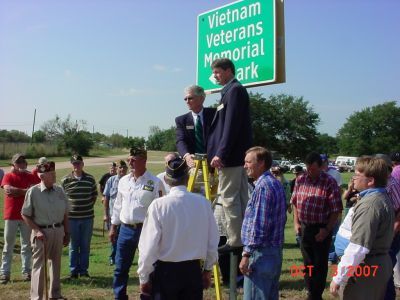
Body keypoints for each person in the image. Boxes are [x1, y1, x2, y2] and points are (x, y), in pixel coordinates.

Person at [137, 157, 219, 299]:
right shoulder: (203, 203)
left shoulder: (158, 206)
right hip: (192, 271)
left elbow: (148, 247)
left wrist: (144, 277)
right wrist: (207, 269)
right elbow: (212, 241)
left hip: (166, 272)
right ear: (187, 178)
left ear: (167, 180)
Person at [330, 156, 395, 300]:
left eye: (357, 175)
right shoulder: (378, 198)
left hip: (365, 267)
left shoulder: (370, 205)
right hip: (371, 264)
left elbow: (359, 247)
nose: (353, 178)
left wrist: (339, 277)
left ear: (370, 181)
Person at [207, 58, 252, 252]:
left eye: (217, 72)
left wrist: (221, 153)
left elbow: (231, 126)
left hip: (231, 157)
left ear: (228, 71)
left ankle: (235, 240)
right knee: (241, 197)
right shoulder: (231, 91)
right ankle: (244, 235)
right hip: (235, 156)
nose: (214, 76)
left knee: (228, 197)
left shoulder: (234, 91)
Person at [110, 147, 164, 300]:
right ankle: (119, 296)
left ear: (144, 160)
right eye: (129, 159)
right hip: (125, 229)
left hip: (146, 230)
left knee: (149, 267)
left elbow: (161, 209)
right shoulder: (123, 181)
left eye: (134, 159)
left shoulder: (155, 182)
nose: (130, 162)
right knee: (120, 267)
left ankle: (148, 296)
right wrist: (113, 227)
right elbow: (118, 206)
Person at [291, 152, 342, 300]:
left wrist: (326, 230)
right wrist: (296, 222)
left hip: (321, 227)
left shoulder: (329, 182)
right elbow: (295, 202)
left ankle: (316, 294)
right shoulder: (301, 180)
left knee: (319, 263)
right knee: (308, 263)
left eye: (313, 169)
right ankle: (310, 290)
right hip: (305, 226)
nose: (310, 172)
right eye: (308, 168)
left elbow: (336, 209)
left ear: (321, 167)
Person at [240, 147, 287, 300]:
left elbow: (260, 226)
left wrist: (247, 253)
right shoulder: (274, 183)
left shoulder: (263, 187)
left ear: (261, 163)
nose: (245, 165)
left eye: (248, 162)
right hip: (273, 253)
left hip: (260, 255)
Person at [21, 160, 69, 300]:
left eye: (54, 173)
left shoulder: (59, 190)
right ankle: (37, 297)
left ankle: (55, 294)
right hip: (42, 233)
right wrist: (36, 231)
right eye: (51, 174)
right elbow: (25, 214)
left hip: (58, 231)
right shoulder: (33, 192)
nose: (54, 176)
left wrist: (67, 232)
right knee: (39, 267)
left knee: (56, 264)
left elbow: (66, 213)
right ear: (42, 176)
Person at [0, 153, 36, 284]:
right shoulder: (8, 176)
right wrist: (27, 190)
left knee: (26, 245)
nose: (21, 164)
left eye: (23, 162)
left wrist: (20, 191)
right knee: (8, 246)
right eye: (18, 162)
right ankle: (5, 273)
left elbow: (37, 188)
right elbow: (8, 190)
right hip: (11, 215)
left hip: (26, 216)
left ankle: (26, 271)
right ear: (13, 164)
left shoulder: (30, 176)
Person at [61, 154, 98, 278]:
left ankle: (83, 270)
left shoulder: (90, 179)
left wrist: (85, 207)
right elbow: (62, 199)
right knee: (73, 246)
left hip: (87, 218)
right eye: (74, 163)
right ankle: (73, 270)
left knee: (85, 245)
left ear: (83, 164)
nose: (77, 165)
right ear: (72, 165)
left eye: (79, 163)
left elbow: (94, 195)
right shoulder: (65, 180)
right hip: (72, 219)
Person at [175, 85, 216, 168]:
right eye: (185, 99)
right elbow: (180, 140)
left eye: (190, 98)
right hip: (194, 165)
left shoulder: (215, 114)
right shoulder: (181, 120)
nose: (187, 101)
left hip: (215, 163)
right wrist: (187, 156)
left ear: (201, 99)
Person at [103, 160, 128, 266]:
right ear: (116, 169)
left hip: (126, 216)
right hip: (113, 215)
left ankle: (122, 258)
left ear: (127, 169)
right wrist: (105, 214)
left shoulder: (130, 180)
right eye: (119, 167)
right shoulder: (111, 180)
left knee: (124, 239)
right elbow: (106, 198)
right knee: (113, 238)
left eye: (123, 167)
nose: (122, 169)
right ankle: (113, 257)